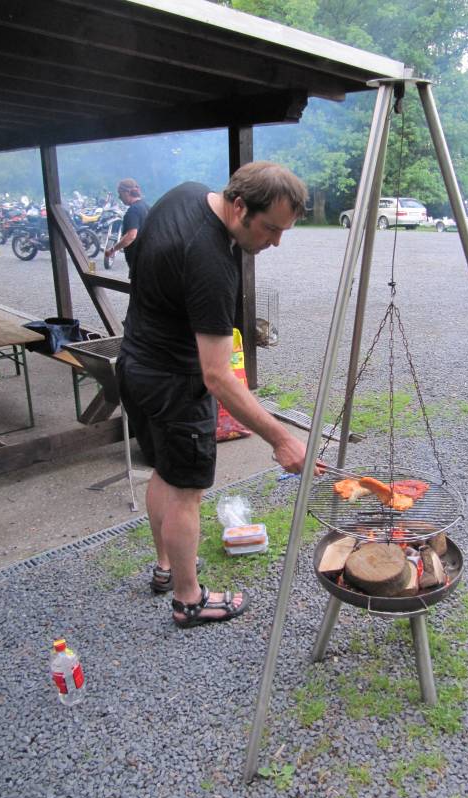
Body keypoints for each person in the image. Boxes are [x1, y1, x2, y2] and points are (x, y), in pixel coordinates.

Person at [116, 162, 322, 629]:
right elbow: (218, 377)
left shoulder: (187, 193)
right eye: (270, 228)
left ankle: (167, 568)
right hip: (174, 381)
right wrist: (281, 437)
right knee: (187, 491)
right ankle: (190, 601)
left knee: (164, 473)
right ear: (238, 206)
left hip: (135, 364)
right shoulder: (211, 261)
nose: (275, 242)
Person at [105, 178, 149, 274]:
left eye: (120, 194)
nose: (119, 197)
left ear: (126, 193)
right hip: (147, 257)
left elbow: (131, 236)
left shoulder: (133, 210)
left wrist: (112, 249)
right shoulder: (145, 206)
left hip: (138, 259)